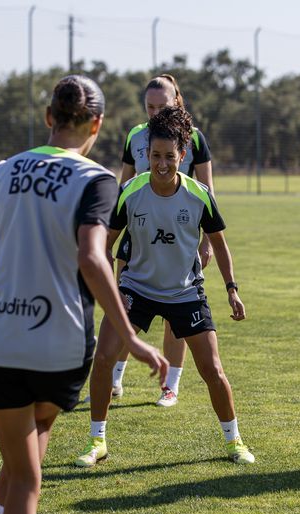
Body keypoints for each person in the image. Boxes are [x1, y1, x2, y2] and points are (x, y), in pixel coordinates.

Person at [0, 75, 167, 514]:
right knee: (30, 465)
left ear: (49, 118)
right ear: (96, 125)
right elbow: (94, 261)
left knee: (26, 448)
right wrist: (134, 340)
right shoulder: (96, 180)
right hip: (58, 343)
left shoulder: (2, 172)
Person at [75, 104, 254, 468]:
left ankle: (234, 441)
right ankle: (97, 442)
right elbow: (104, 244)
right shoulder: (130, 191)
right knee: (105, 357)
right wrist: (108, 287)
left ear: (182, 155)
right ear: (147, 155)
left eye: (169, 156)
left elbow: (219, 245)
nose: (161, 164)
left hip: (184, 290)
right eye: (155, 155)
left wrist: (232, 289)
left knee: (213, 371)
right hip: (136, 288)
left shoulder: (199, 195)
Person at [110, 74, 215, 408]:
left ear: (177, 102)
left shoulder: (195, 139)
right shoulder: (135, 136)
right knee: (124, 305)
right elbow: (123, 185)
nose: (155, 112)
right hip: (137, 234)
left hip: (180, 237)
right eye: (149, 106)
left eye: (163, 105)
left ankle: (170, 386)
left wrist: (207, 241)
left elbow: (207, 192)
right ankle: (113, 377)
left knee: (176, 309)